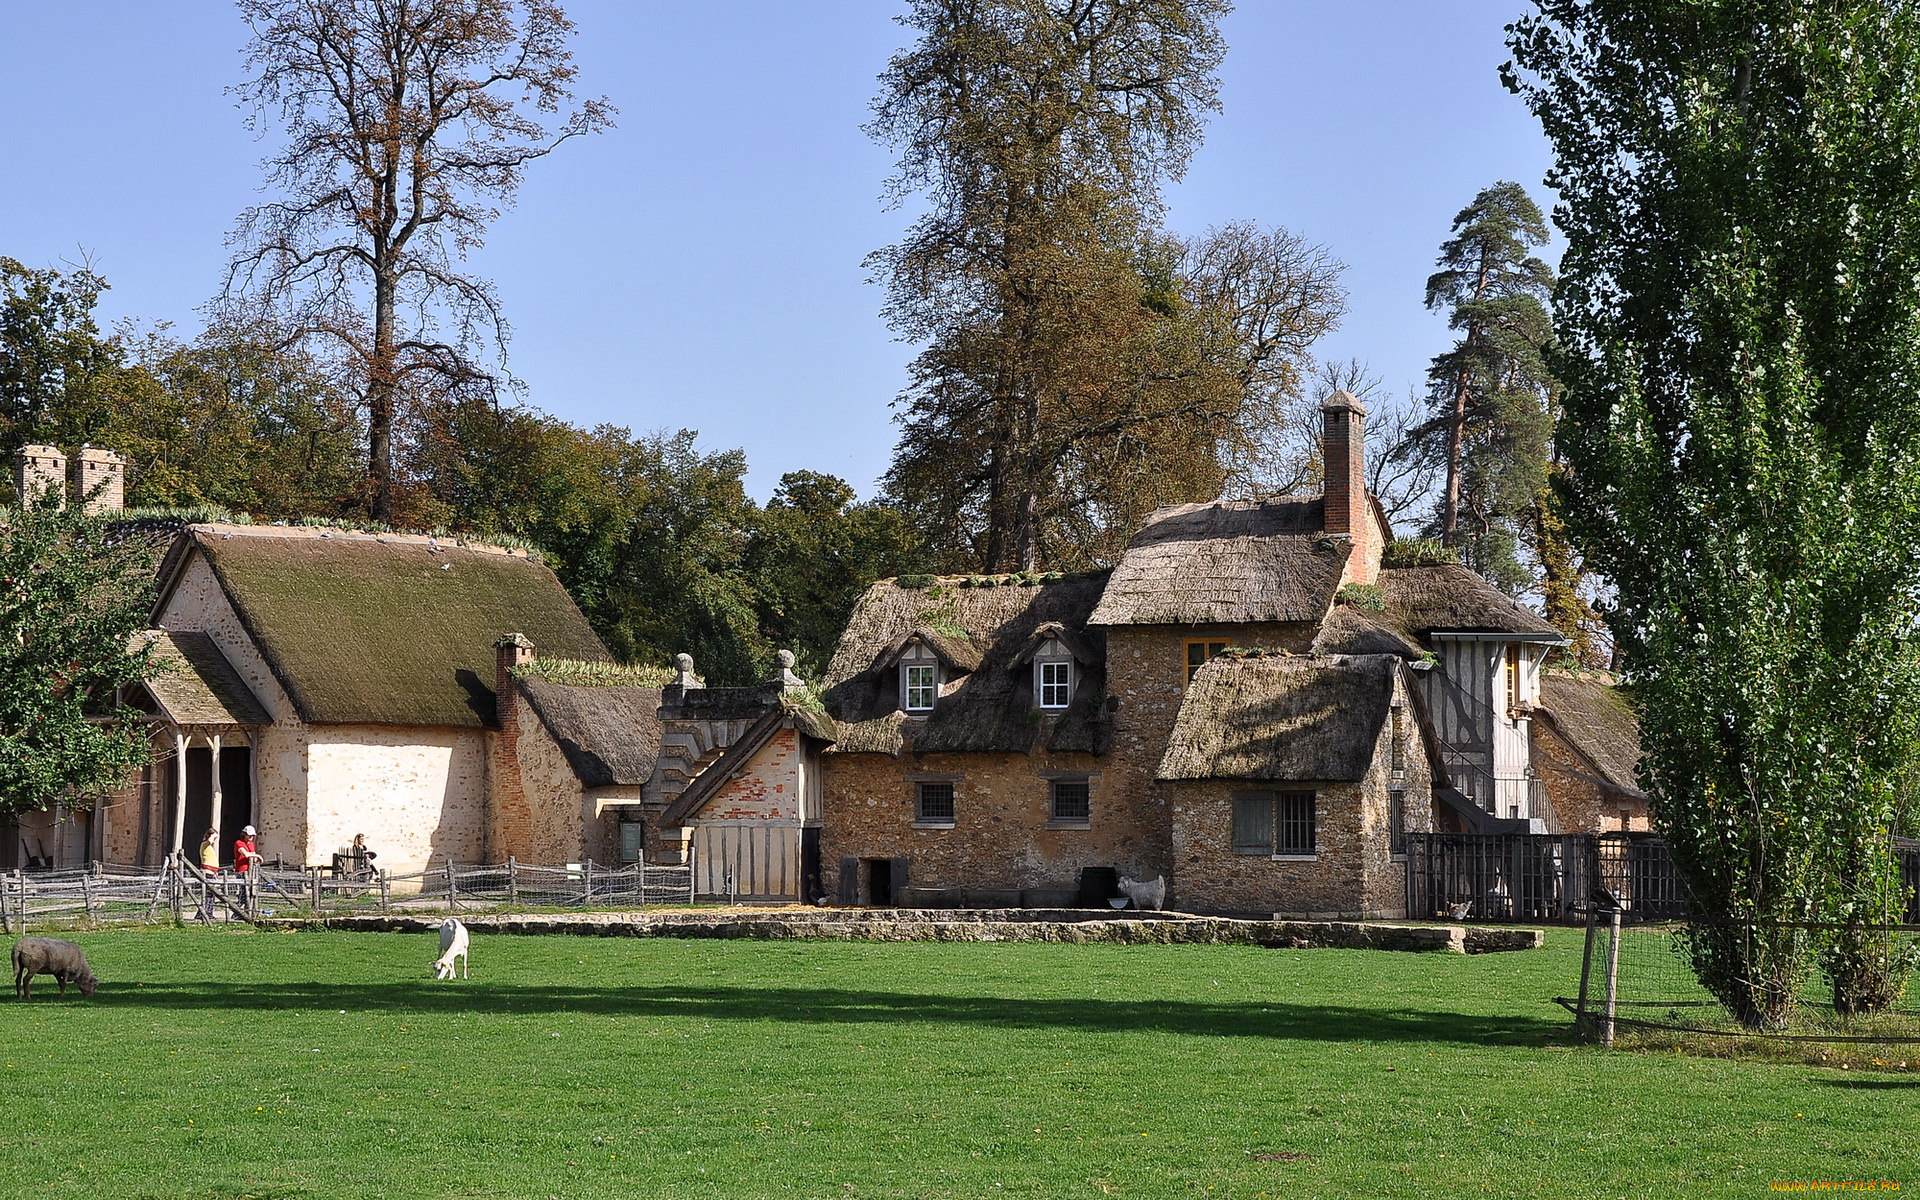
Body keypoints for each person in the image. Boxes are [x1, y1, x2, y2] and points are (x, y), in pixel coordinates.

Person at [233, 825, 262, 912]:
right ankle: (237, 912)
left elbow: (253, 856)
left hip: (251, 871)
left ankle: (246, 910)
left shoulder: (252, 844)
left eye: (252, 836)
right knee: (243, 892)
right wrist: (257, 855)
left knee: (250, 892)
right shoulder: (239, 843)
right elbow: (246, 854)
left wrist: (256, 858)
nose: (251, 837)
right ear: (244, 834)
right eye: (249, 835)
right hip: (242, 871)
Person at [197, 827, 219, 920]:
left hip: (211, 872)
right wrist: (213, 835)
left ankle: (207, 912)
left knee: (211, 895)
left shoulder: (210, 847)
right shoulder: (205, 844)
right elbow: (209, 841)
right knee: (208, 894)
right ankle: (205, 913)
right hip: (207, 872)